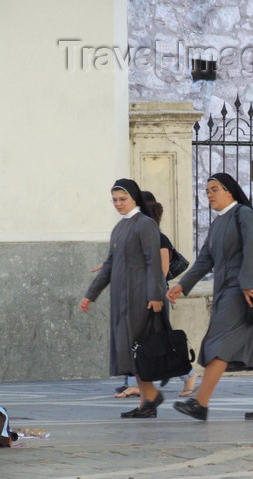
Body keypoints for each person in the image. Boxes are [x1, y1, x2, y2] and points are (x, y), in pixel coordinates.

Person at [166, 173, 253, 421]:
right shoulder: (219, 222)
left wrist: (247, 284)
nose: (209, 194)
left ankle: (200, 403)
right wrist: (182, 284)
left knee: (217, 342)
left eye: (214, 189)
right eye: (207, 190)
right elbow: (205, 259)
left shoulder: (244, 214)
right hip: (231, 288)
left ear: (229, 191)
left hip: (243, 291)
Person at [79, 179, 168, 418]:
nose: (118, 204)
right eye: (115, 200)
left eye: (123, 199)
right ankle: (148, 399)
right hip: (122, 299)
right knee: (130, 350)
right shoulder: (119, 227)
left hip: (141, 297)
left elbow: (153, 262)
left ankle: (149, 400)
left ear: (135, 199)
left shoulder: (145, 224)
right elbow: (109, 266)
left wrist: (155, 296)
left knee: (139, 349)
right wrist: (91, 295)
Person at [141, 191, 198, 398]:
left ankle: (188, 374)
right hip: (143, 293)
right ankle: (136, 382)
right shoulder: (143, 235)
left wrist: (154, 292)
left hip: (155, 294)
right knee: (141, 339)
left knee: (160, 339)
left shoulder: (158, 237)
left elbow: (163, 269)